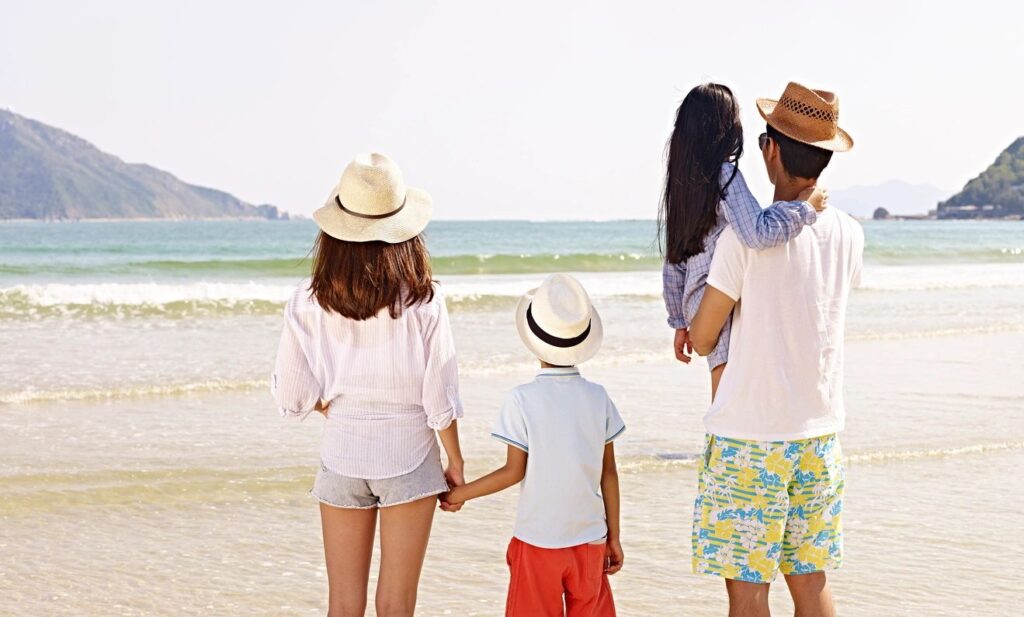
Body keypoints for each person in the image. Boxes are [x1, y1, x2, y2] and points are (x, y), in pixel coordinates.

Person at [687, 82, 863, 617]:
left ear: (770, 150)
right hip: (818, 435)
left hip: (750, 440)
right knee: (810, 583)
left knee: (747, 592)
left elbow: (701, 336)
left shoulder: (744, 239)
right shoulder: (851, 233)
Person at [271, 153, 465, 617]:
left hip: (343, 457)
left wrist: (330, 404)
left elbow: (292, 397)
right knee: (396, 605)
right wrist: (455, 461)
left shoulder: (307, 300)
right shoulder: (425, 298)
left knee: (342, 604)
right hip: (411, 457)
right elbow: (439, 393)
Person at [440, 273, 625, 617]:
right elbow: (609, 473)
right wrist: (614, 536)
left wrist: (455, 495)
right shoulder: (598, 397)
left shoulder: (522, 398)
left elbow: (513, 471)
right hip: (590, 540)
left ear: (533, 341)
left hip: (539, 541)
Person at [660, 82, 828, 397]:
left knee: (721, 376)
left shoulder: (682, 185)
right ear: (726, 129)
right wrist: (805, 208)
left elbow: (673, 260)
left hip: (695, 300)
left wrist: (679, 320)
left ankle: (718, 436)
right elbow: (756, 233)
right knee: (727, 379)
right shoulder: (725, 175)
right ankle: (723, 434)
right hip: (716, 293)